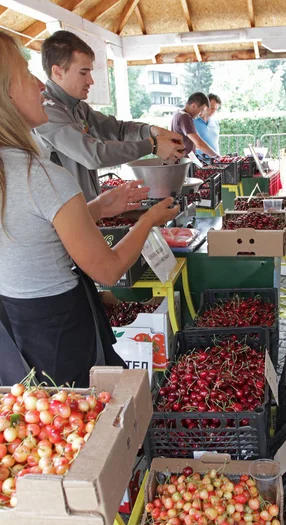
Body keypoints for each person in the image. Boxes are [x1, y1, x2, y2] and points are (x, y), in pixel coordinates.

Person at [0, 31, 179, 387]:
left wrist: (96, 207)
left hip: (14, 321)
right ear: (6, 93)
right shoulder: (46, 177)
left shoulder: (14, 170)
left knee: (47, 415)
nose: (39, 83)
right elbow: (109, 270)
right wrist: (149, 220)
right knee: (89, 411)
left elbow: (31, 230)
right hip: (59, 323)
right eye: (26, 74)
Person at [35, 30, 184, 201]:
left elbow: (117, 130)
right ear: (58, 72)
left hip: (85, 212)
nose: (91, 81)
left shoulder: (78, 108)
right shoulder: (47, 111)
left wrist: (151, 131)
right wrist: (152, 146)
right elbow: (93, 155)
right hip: (62, 220)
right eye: (83, 73)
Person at [170, 93, 219, 158]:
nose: (200, 113)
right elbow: (199, 144)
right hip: (184, 161)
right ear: (193, 106)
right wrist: (218, 157)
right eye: (201, 109)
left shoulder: (178, 114)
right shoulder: (185, 117)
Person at [194, 93, 221, 157]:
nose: (213, 111)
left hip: (216, 161)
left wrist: (218, 157)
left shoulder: (215, 123)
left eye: (216, 109)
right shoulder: (192, 122)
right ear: (204, 105)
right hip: (200, 162)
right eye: (212, 108)